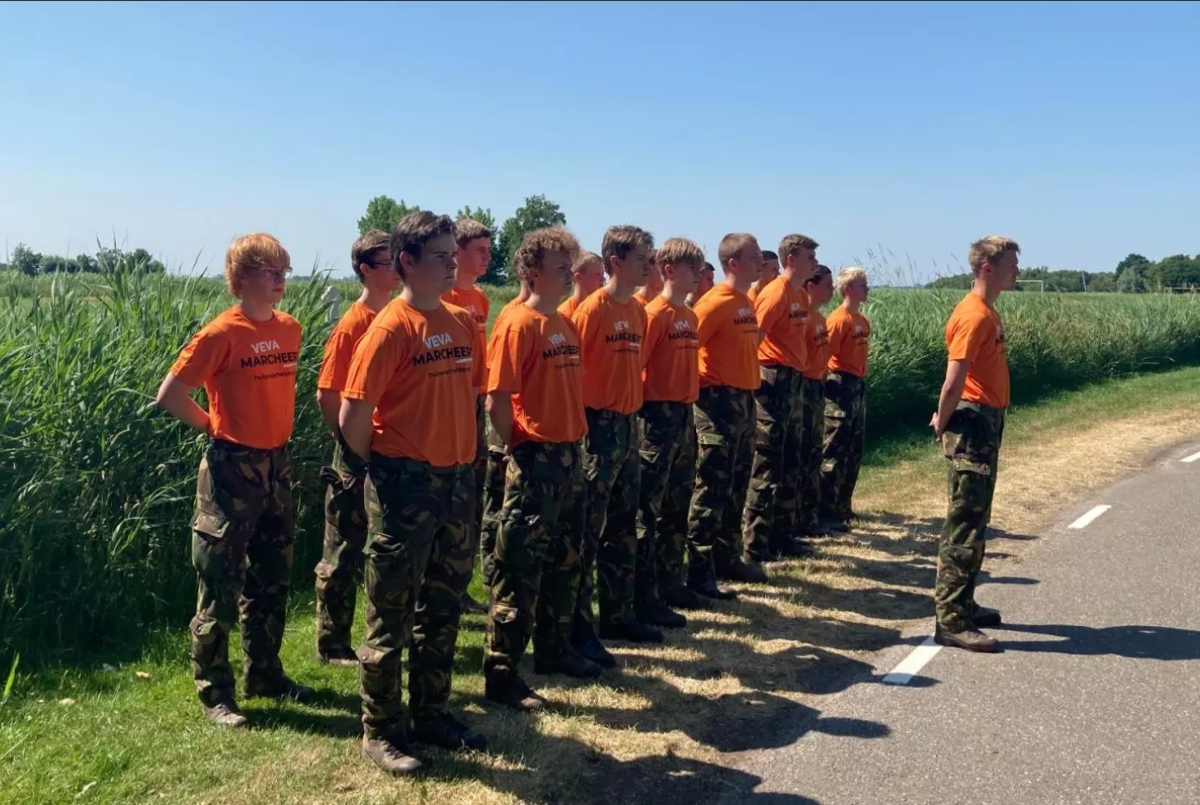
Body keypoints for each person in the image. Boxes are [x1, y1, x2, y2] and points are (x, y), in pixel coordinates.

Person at [340, 210, 488, 775]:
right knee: (391, 612)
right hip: (405, 483)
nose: (453, 264)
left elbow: (470, 396)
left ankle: (432, 712)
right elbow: (354, 414)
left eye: (454, 255)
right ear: (407, 261)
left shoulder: (462, 322)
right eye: (441, 256)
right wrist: (380, 470)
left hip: (456, 481)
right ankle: (381, 729)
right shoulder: (391, 328)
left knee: (444, 604)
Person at [155, 232, 313, 728]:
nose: (281, 280)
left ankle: (265, 673)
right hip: (231, 469)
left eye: (284, 272)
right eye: (271, 272)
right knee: (220, 581)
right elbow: (170, 394)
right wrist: (214, 428)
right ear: (241, 278)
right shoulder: (220, 334)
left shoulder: (290, 328)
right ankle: (215, 691)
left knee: (272, 577)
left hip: (277, 464)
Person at [483, 225, 600, 712]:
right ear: (532, 273)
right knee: (520, 568)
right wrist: (520, 446)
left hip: (569, 455)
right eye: (559, 268)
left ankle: (555, 648)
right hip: (536, 458)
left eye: (570, 267)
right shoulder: (519, 323)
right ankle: (502, 672)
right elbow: (497, 399)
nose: (568, 275)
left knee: (565, 560)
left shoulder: (563, 323)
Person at [570, 224, 663, 657]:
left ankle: (618, 613)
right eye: (642, 258)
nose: (648, 266)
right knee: (588, 530)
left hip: (629, 424)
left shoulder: (638, 311)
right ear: (615, 262)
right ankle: (578, 628)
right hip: (597, 426)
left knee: (624, 524)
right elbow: (571, 375)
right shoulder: (592, 310)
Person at [313, 229, 401, 667]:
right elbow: (328, 394)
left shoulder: (397, 316)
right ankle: (332, 643)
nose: (397, 270)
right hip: (355, 452)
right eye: (388, 263)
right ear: (366, 270)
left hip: (385, 448)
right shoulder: (354, 324)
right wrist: (351, 446)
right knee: (344, 548)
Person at [930, 236, 1020, 653]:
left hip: (987, 422)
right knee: (964, 521)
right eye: (1010, 265)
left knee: (977, 518)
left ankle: (963, 603)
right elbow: (954, 379)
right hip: (972, 424)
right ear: (987, 268)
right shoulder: (973, 315)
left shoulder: (988, 311)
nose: (1016, 272)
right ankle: (951, 620)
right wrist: (942, 419)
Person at [685, 233, 763, 600]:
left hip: (744, 402)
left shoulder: (745, 301)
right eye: (753, 257)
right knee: (711, 488)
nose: (760, 262)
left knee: (737, 484)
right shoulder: (713, 304)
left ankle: (728, 557)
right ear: (734, 263)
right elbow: (687, 352)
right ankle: (700, 572)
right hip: (717, 404)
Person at [634, 237, 708, 625]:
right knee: (649, 507)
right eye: (690, 267)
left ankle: (671, 580)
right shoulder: (654, 314)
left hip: (684, 413)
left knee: (678, 502)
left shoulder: (689, 315)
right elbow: (637, 368)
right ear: (668, 271)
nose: (698, 273)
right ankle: (644, 594)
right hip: (657, 416)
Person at [741, 235, 818, 572]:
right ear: (791, 259)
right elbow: (753, 342)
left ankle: (782, 534)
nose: (814, 263)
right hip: (773, 380)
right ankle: (756, 545)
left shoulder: (799, 294)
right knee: (768, 460)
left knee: (790, 459)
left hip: (794, 379)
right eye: (809, 257)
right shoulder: (775, 294)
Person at [443, 217, 495, 615]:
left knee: (471, 494)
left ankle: (459, 585)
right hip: (449, 401)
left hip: (476, 399)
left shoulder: (480, 298)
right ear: (456, 253)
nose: (487, 257)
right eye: (480, 250)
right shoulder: (444, 297)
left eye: (489, 250)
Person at [819, 267, 872, 532]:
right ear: (847, 289)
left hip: (857, 384)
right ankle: (825, 510)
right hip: (840, 385)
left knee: (853, 449)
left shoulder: (861, 319)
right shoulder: (838, 320)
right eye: (862, 285)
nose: (867, 288)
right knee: (834, 449)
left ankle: (843, 506)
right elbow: (825, 357)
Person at [797, 264, 834, 544]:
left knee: (814, 452)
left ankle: (811, 516)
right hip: (804, 387)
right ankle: (799, 518)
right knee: (802, 452)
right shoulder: (803, 319)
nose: (832, 290)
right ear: (811, 286)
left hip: (818, 386)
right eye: (828, 285)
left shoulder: (820, 318)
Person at [559, 250, 605, 318]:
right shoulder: (564, 316)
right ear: (578, 277)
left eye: (602, 274)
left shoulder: (605, 309)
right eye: (597, 274)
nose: (603, 278)